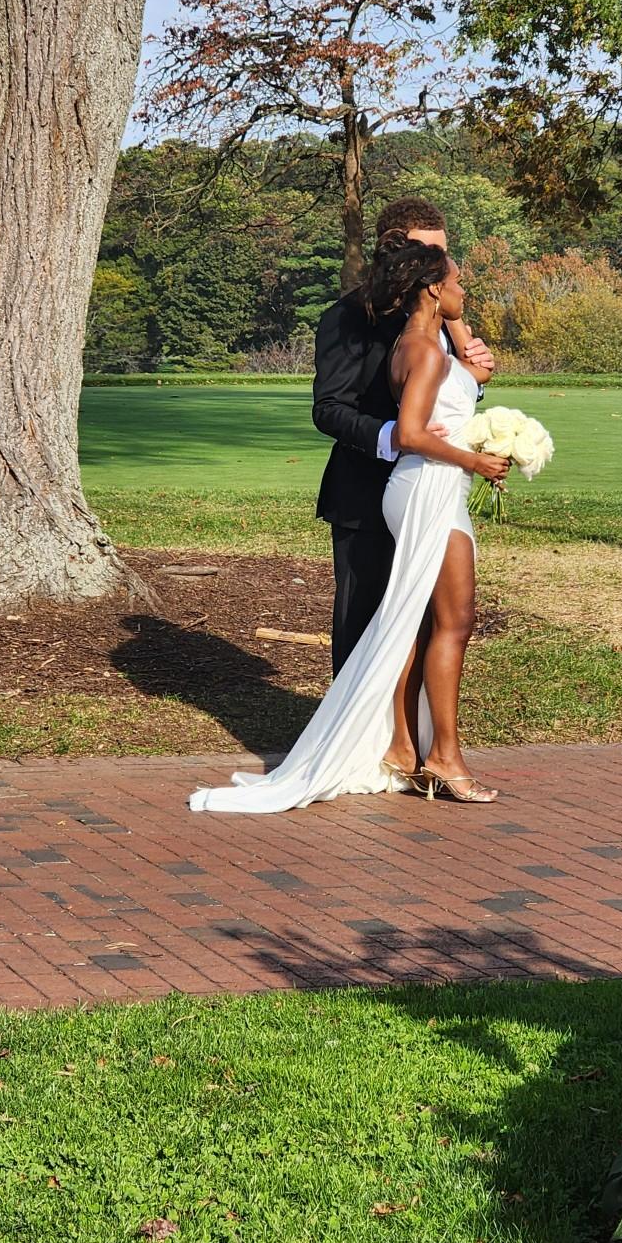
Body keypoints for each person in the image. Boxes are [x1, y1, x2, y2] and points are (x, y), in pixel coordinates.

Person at [188, 239, 507, 813]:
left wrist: (466, 363)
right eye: (457, 282)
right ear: (435, 288)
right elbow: (410, 434)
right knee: (455, 622)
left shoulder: (419, 342)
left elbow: (449, 400)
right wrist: (475, 460)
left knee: (410, 619)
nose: (464, 291)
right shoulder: (425, 351)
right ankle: (444, 758)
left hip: (428, 485)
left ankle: (403, 747)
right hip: (429, 488)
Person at [312, 196, 495, 673]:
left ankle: (410, 720)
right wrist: (395, 435)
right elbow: (329, 409)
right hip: (365, 497)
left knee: (428, 622)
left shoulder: (442, 316)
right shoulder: (347, 317)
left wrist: (474, 379)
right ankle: (354, 720)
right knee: (365, 626)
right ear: (394, 249)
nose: (439, 265)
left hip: (433, 492)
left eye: (443, 253)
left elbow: (447, 390)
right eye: (428, 252)